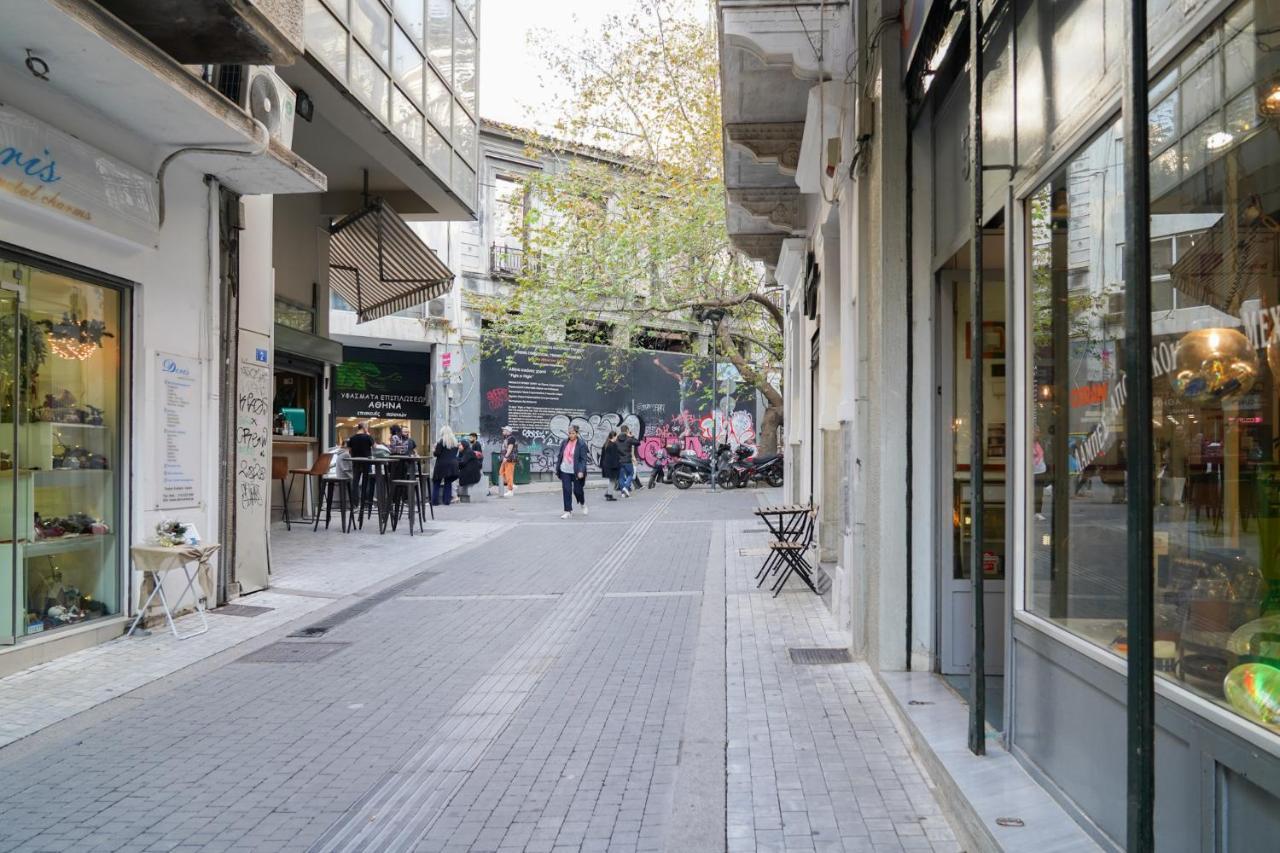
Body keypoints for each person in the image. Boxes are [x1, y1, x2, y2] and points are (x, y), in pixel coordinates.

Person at [557, 424, 589, 518]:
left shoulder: (582, 444)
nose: (571, 435)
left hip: (576, 471)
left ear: (577, 433)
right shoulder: (564, 442)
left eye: (573, 433)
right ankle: (568, 511)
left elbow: (583, 459)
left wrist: (581, 470)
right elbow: (560, 455)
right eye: (569, 433)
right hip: (565, 470)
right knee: (566, 490)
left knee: (577, 491)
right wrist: (558, 467)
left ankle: (582, 503)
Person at [346, 423, 376, 505]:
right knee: (366, 482)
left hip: (356, 462)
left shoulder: (351, 438)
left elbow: (349, 450)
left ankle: (354, 504)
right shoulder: (368, 437)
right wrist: (369, 435)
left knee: (355, 482)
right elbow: (375, 447)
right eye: (367, 428)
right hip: (367, 462)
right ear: (364, 428)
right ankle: (366, 503)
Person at [431, 426, 461, 506]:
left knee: (436, 482)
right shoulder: (455, 442)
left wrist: (434, 449)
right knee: (448, 482)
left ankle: (435, 502)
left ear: (442, 432)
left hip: (441, 464)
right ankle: (446, 501)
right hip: (452, 465)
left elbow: (437, 454)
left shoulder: (441, 442)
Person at [615, 425, 640, 497]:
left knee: (620, 477)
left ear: (621, 430)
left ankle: (623, 492)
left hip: (619, 461)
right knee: (631, 474)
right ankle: (626, 487)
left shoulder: (616, 439)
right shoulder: (629, 439)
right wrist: (631, 436)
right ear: (627, 430)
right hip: (627, 461)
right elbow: (638, 443)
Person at [458, 432, 484, 498]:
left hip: (477, 465)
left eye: (471, 437)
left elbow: (478, 455)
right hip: (473, 466)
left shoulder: (477, 445)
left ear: (475, 437)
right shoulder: (470, 446)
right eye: (469, 437)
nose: (470, 439)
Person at [599, 430, 621, 501]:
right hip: (612, 466)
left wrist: (601, 465)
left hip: (606, 465)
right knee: (613, 480)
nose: (617, 438)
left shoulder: (606, 444)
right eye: (616, 436)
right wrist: (617, 466)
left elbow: (602, 456)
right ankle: (609, 495)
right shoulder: (613, 445)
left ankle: (608, 493)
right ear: (614, 436)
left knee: (612, 480)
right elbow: (615, 457)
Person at [499, 426, 519, 497]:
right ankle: (512, 484)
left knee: (508, 474)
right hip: (506, 458)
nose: (502, 432)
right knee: (501, 472)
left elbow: (510, 448)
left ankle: (510, 491)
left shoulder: (511, 438)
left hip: (509, 458)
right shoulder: (506, 438)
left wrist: (506, 456)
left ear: (508, 431)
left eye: (504, 430)